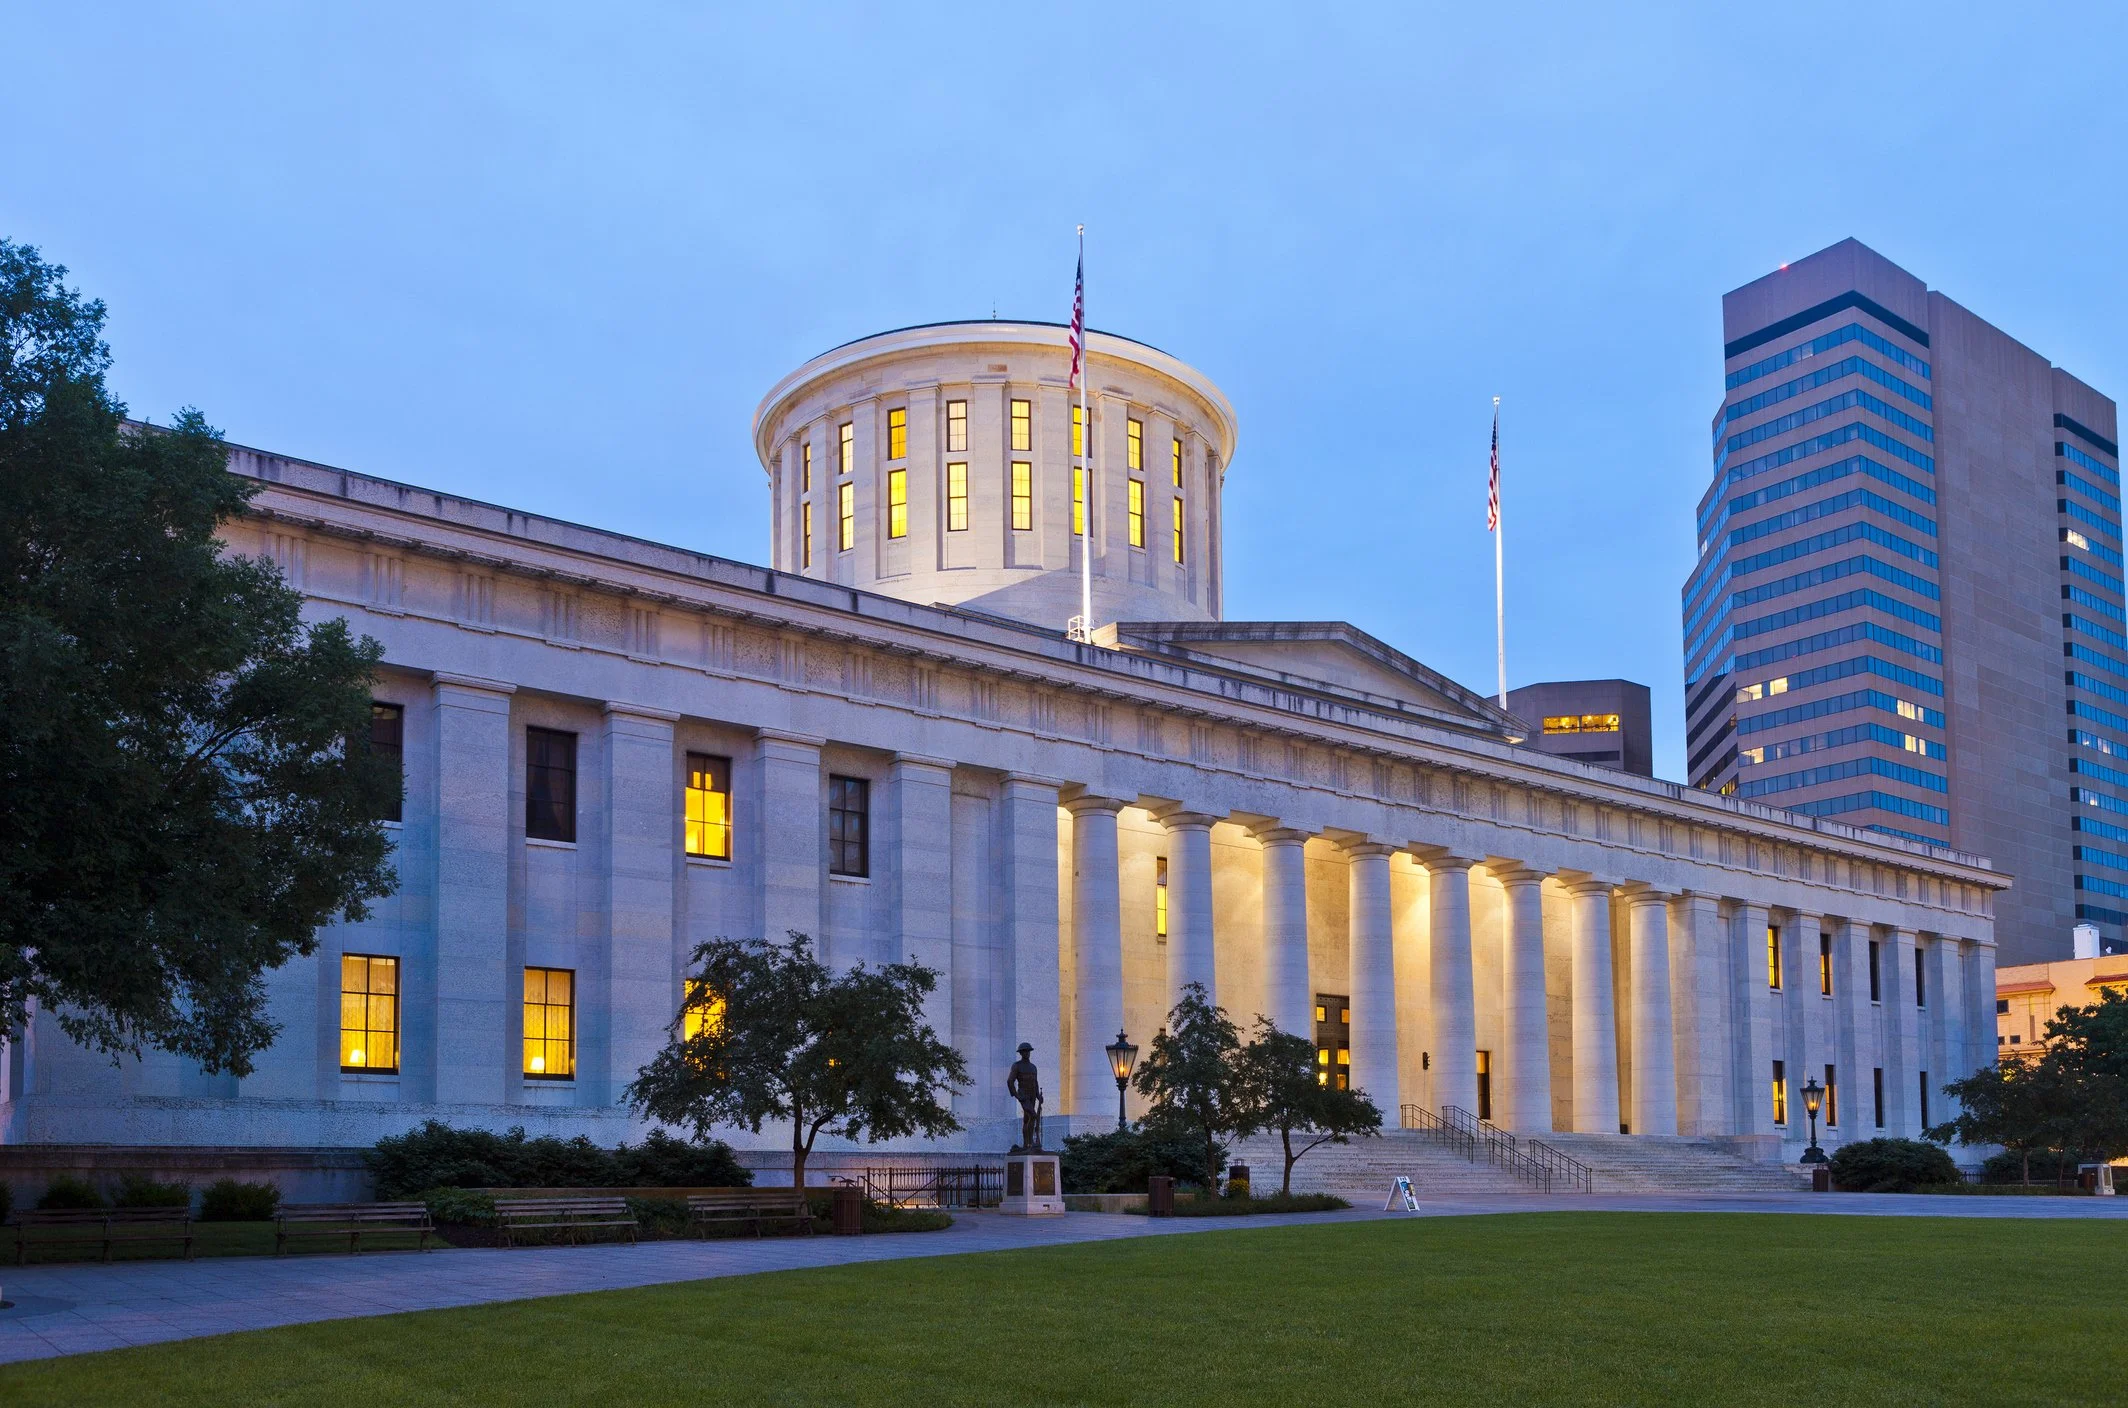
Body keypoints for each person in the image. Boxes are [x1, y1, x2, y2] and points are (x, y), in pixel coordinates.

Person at [1006, 1042, 1044, 1151]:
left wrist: (1038, 1096)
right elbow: (1010, 1081)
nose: (1027, 1053)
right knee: (1033, 1116)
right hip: (1024, 1095)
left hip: (1032, 1095)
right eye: (1024, 1051)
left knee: (1027, 1119)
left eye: (1028, 1051)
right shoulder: (1017, 1065)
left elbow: (1035, 1083)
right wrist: (1017, 1095)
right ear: (1021, 1053)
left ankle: (1025, 1145)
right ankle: (1030, 1143)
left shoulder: (1033, 1067)